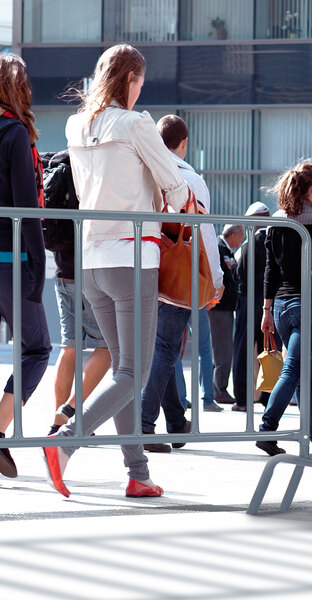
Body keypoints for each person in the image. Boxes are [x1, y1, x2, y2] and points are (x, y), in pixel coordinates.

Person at [42, 44, 192, 498]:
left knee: (123, 371)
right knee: (134, 373)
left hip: (91, 262)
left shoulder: (76, 124)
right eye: (140, 82)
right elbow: (176, 184)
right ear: (131, 79)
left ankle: (139, 472)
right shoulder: (136, 123)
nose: (140, 90)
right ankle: (68, 442)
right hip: (131, 256)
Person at [140, 114, 223, 453]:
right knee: (165, 348)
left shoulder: (144, 171)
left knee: (165, 348)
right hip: (177, 276)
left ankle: (175, 421)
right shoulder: (187, 177)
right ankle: (143, 424)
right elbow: (205, 233)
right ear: (184, 143)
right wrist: (216, 281)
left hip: (145, 268)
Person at [0, 53, 52, 478]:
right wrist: (38, 263)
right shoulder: (14, 135)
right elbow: (26, 208)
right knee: (36, 350)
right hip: (11, 263)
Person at [257, 161, 312, 456]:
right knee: (293, 369)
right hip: (307, 304)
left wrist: (267, 309)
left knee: (304, 372)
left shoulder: (278, 220)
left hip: (283, 307)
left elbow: (270, 269)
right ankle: (266, 428)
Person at [42, 150, 112, 436]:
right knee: (107, 347)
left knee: (70, 345)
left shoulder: (58, 160)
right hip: (93, 268)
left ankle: (59, 421)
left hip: (63, 267)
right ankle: (72, 409)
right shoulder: (97, 163)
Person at [231, 201, 277, 413]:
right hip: (271, 301)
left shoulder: (254, 241)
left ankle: (242, 398)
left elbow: (240, 272)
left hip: (250, 299)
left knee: (243, 348)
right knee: (269, 348)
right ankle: (269, 397)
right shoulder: (277, 237)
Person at [208, 223, 244, 404]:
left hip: (223, 306)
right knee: (223, 350)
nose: (242, 238)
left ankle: (216, 388)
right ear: (233, 235)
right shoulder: (220, 248)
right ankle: (218, 390)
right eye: (241, 235)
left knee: (219, 350)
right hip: (219, 307)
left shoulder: (223, 248)